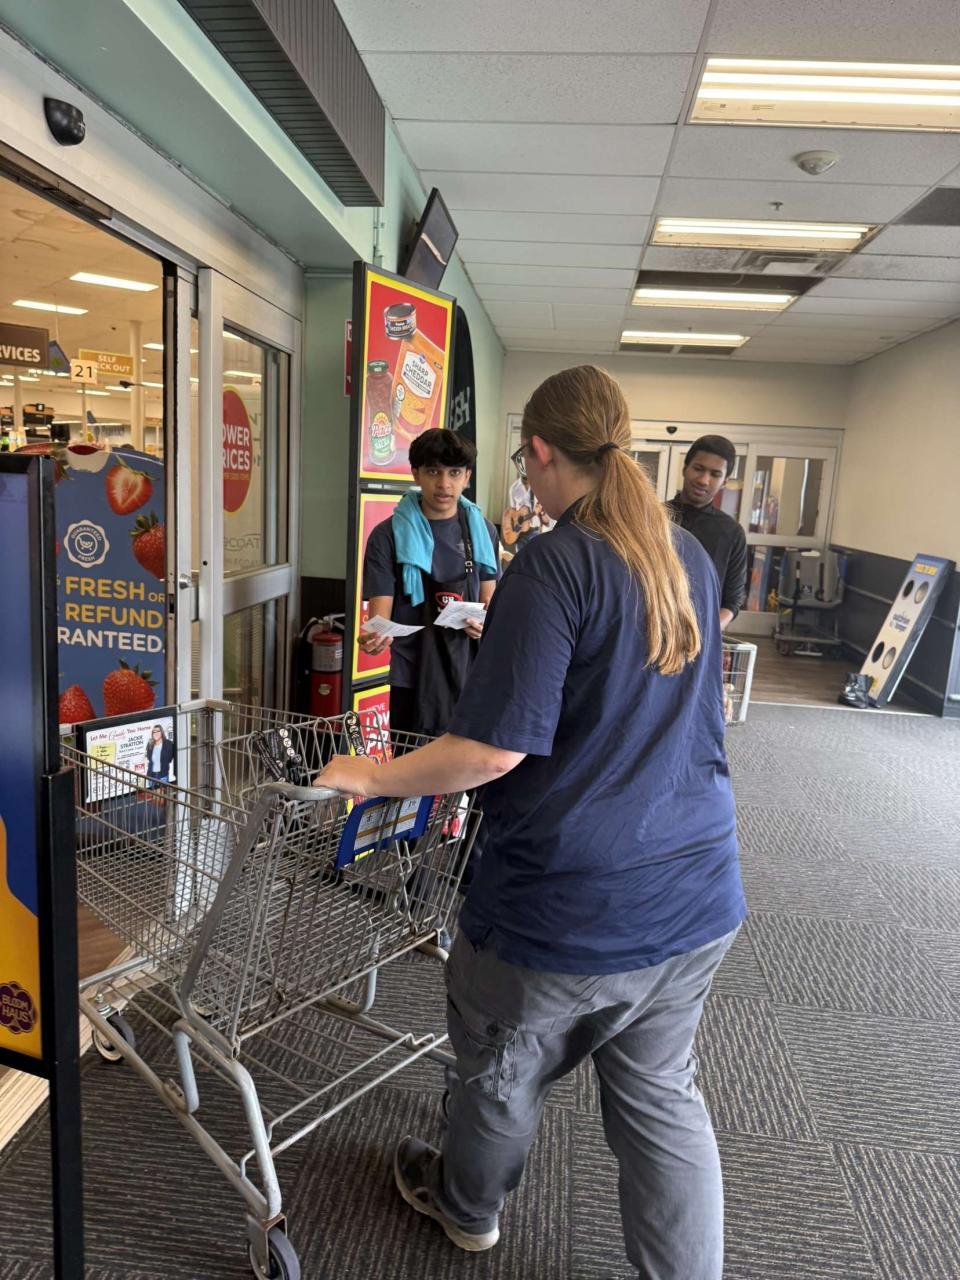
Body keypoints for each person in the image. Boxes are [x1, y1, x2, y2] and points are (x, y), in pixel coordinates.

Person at [316, 366, 747, 1279]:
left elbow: (490, 752)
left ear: (542, 452)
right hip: (697, 886)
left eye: (522, 462)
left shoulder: (556, 562)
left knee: (500, 1073)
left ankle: (466, 1208)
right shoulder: (686, 554)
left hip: (568, 903)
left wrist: (372, 775)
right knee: (663, 1100)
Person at [360, 428, 500, 737]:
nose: (444, 484)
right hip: (411, 677)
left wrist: (484, 625)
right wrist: (374, 638)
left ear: (467, 476)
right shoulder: (387, 536)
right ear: (416, 474)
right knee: (411, 765)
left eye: (454, 472)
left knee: (467, 765)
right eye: (433, 471)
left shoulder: (483, 532)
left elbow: (491, 605)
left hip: (470, 674)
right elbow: (379, 617)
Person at [667, 435, 747, 630]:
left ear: (725, 481)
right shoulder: (651, 517)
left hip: (700, 636)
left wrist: (705, 635)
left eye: (715, 474)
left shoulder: (732, 533)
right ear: (685, 468)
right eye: (698, 468)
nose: (704, 480)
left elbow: (732, 602)